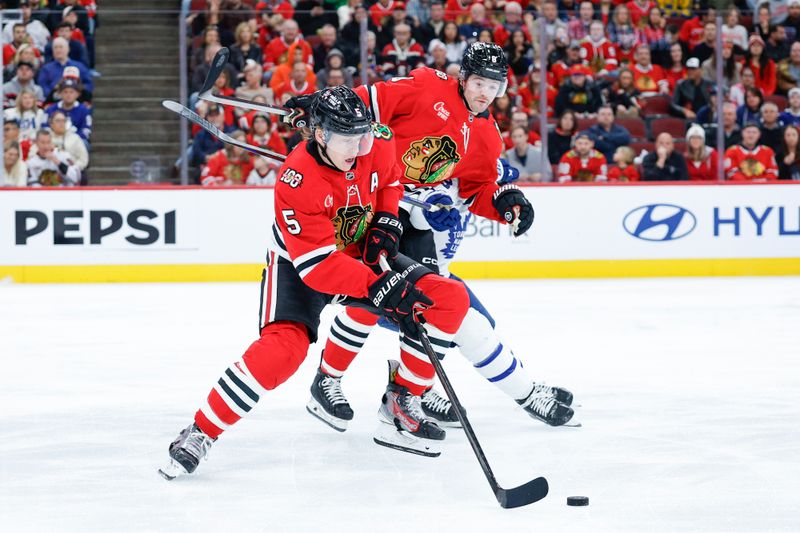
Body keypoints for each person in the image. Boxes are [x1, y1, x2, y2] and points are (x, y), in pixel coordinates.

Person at [160, 86, 472, 478]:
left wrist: (389, 219)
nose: (359, 148)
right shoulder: (295, 181)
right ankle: (201, 431)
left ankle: (402, 401)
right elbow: (319, 267)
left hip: (358, 251)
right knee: (283, 350)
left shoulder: (376, 140)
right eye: (346, 139)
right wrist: (380, 287)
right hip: (301, 264)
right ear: (320, 136)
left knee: (448, 300)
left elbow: (391, 178)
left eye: (363, 136)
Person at [292, 42, 572, 433]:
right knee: (376, 295)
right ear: (463, 77)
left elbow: (477, 189)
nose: (483, 93)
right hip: (374, 206)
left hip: (416, 224)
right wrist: (322, 107)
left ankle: (409, 391)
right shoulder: (426, 86)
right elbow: (367, 102)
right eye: (477, 82)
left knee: (430, 306)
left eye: (493, 86)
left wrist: (504, 202)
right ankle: (354, 385)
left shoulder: (488, 136)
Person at [45, 78, 92, 143]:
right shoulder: (51, 109)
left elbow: (86, 130)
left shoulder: (84, 110)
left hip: (76, 141)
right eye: (65, 92)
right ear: (60, 94)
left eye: (71, 92)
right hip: (54, 140)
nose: (68, 95)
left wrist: (72, 138)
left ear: (77, 94)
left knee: (84, 143)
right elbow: (45, 126)